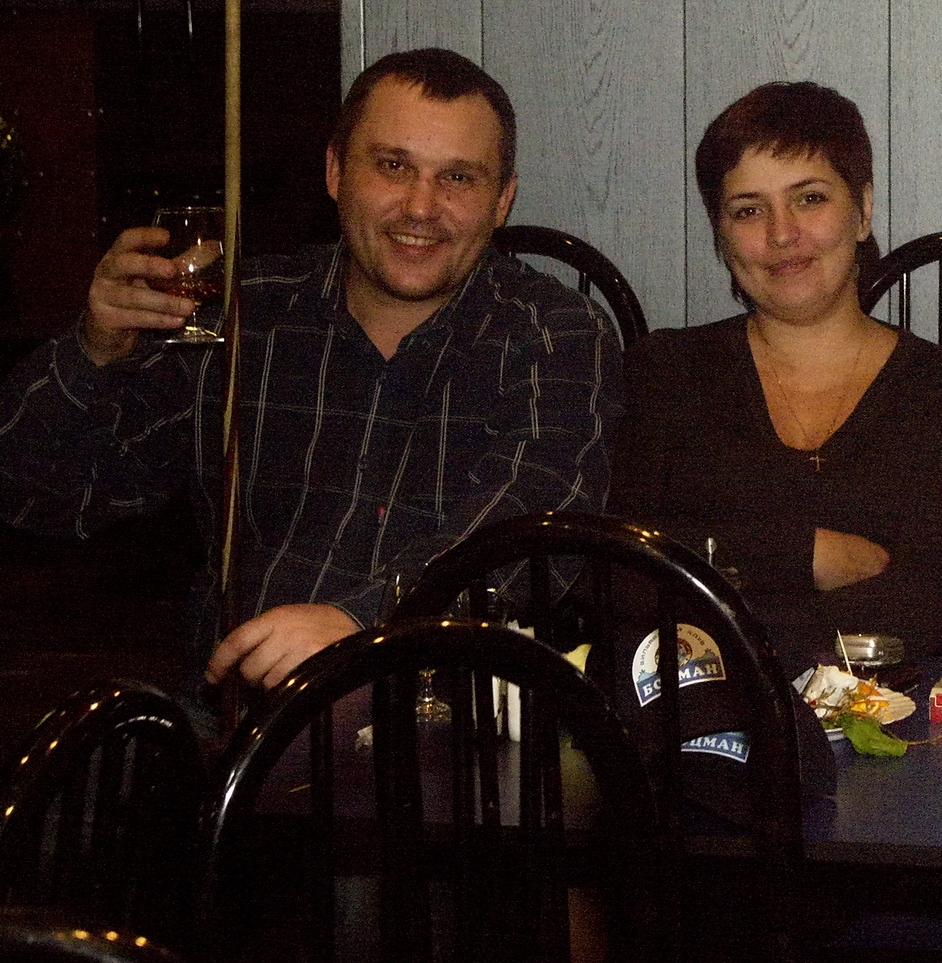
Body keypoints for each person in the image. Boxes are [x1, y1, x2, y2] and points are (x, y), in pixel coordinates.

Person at [0, 48, 623, 731]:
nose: (422, 206)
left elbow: (528, 533)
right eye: (393, 166)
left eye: (457, 177)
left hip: (453, 731)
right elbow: (38, 496)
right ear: (335, 172)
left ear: (501, 200)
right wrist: (94, 352)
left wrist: (366, 623)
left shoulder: (555, 332)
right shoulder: (244, 315)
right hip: (240, 725)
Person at [608, 80, 942, 677]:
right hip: (709, 715)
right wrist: (803, 554)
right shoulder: (666, 372)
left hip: (893, 720)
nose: (781, 233)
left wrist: (731, 605)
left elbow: (937, 604)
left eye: (809, 199)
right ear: (721, 234)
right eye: (748, 210)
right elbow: (620, 573)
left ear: (862, 210)